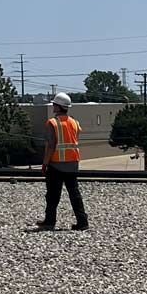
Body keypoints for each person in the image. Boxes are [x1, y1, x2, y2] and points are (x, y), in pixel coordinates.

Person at [32, 92, 88, 232]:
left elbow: (51, 145)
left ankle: (50, 222)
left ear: (58, 106)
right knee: (74, 194)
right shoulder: (75, 122)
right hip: (73, 163)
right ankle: (82, 222)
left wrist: (45, 163)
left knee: (52, 195)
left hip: (56, 164)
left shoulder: (53, 123)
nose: (53, 107)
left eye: (54, 105)